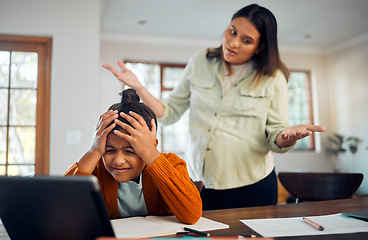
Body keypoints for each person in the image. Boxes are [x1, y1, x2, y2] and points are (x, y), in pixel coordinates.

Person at [102, 4, 326, 210]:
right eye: (232, 31)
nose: (233, 42)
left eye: (247, 40)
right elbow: (168, 113)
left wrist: (286, 137)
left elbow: (276, 133)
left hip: (252, 185)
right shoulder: (200, 61)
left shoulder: (273, 77)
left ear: (260, 47)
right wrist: (140, 88)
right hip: (200, 184)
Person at [64, 88, 202, 224]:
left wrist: (150, 153)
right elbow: (61, 205)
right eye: (109, 150)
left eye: (130, 151)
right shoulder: (96, 169)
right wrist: (93, 151)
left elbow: (192, 215)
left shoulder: (172, 164)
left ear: (152, 145)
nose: (118, 161)